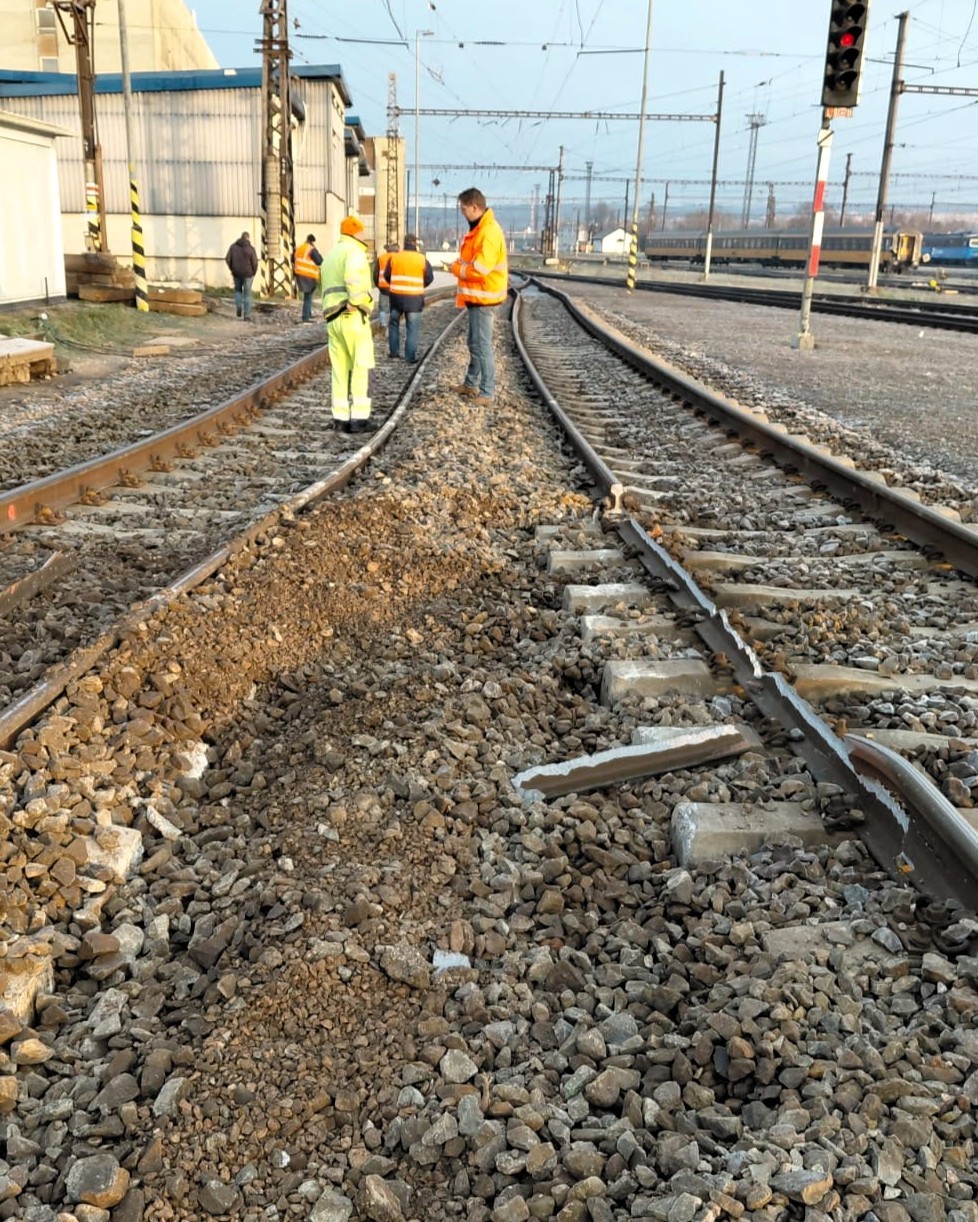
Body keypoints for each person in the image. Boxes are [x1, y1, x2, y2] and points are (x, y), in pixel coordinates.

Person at [449, 188, 508, 403]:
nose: (462, 213)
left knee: (482, 345)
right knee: (474, 342)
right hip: (478, 297)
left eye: (464, 209)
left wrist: (456, 269)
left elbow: (480, 269)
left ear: (474, 207)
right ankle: (470, 384)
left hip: (485, 297)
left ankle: (487, 392)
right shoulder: (479, 229)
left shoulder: (488, 232)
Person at [320, 215, 376, 433]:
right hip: (352, 316)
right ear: (356, 233)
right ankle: (359, 418)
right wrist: (355, 301)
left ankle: (340, 418)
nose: (364, 236)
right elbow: (352, 278)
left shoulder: (332, 254)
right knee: (361, 366)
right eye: (362, 232)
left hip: (332, 318)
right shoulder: (354, 252)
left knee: (339, 369)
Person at [384, 233, 433, 363]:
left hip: (396, 298)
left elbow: (387, 275)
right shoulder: (421, 259)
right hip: (414, 299)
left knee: (393, 323)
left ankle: (394, 352)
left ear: (404, 243)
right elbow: (429, 277)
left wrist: (395, 284)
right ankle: (410, 357)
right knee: (412, 328)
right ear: (415, 244)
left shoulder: (395, 257)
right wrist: (419, 285)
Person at [225, 231, 258, 321]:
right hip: (248, 274)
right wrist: (253, 272)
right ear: (248, 238)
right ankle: (247, 315)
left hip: (236, 273)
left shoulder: (233, 247)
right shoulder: (250, 249)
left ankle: (239, 307)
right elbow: (255, 262)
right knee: (247, 294)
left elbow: (227, 259)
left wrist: (232, 268)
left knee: (238, 291)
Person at [294, 233, 324, 322]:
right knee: (308, 296)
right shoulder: (311, 249)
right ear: (312, 242)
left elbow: (294, 259)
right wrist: (316, 250)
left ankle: (308, 314)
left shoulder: (299, 248)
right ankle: (305, 317)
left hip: (299, 273)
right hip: (308, 274)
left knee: (308, 295)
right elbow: (319, 261)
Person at [373, 241, 399, 327]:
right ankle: (393, 322)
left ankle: (383, 324)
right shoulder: (399, 258)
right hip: (396, 287)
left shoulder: (381, 258)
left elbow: (376, 274)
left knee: (383, 307)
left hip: (383, 287)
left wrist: (378, 285)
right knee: (394, 306)